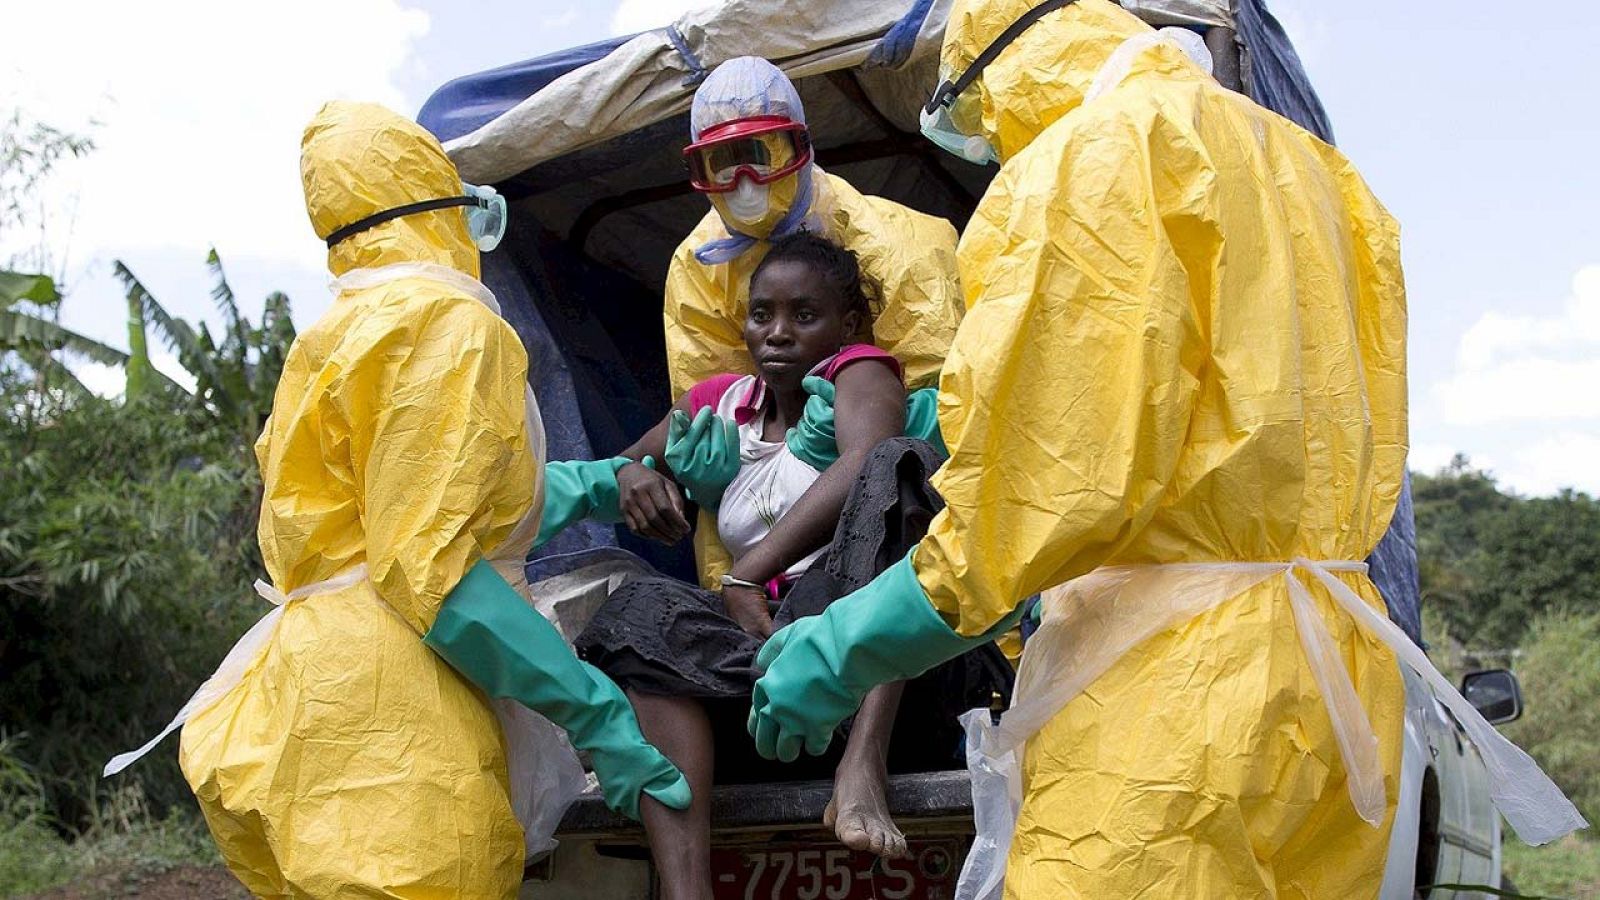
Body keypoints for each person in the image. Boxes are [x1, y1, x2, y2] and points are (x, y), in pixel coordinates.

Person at [749, 1, 1580, 896]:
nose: (983, 141)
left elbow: (1046, 493)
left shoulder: (1091, 158)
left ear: (1003, 68)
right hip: (1334, 684)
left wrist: (847, 643)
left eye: (971, 113)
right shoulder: (1323, 174)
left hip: (1165, 707)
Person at [130, 101, 689, 899]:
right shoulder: (448, 324)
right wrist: (595, 710)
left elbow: (435, 505)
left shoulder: (338, 331)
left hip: (314, 696)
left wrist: (601, 481)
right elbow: (434, 571)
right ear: (437, 208)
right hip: (398, 717)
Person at [572, 234, 1012, 900]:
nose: (777, 333)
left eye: (804, 316)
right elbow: (616, 469)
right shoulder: (720, 404)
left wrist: (747, 570)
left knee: (904, 466)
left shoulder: (861, 373)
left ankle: (862, 769)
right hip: (776, 671)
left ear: (847, 326)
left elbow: (869, 458)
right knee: (635, 613)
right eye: (762, 315)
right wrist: (638, 474)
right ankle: (687, 892)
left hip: (890, 668)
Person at [667, 56, 964, 587]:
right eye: (722, 164)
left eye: (759, 155)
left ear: (800, 149)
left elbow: (953, 423)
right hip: (774, 562)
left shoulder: (901, 247)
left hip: (891, 527)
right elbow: (713, 418)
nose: (744, 182)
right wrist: (731, 593)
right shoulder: (698, 269)